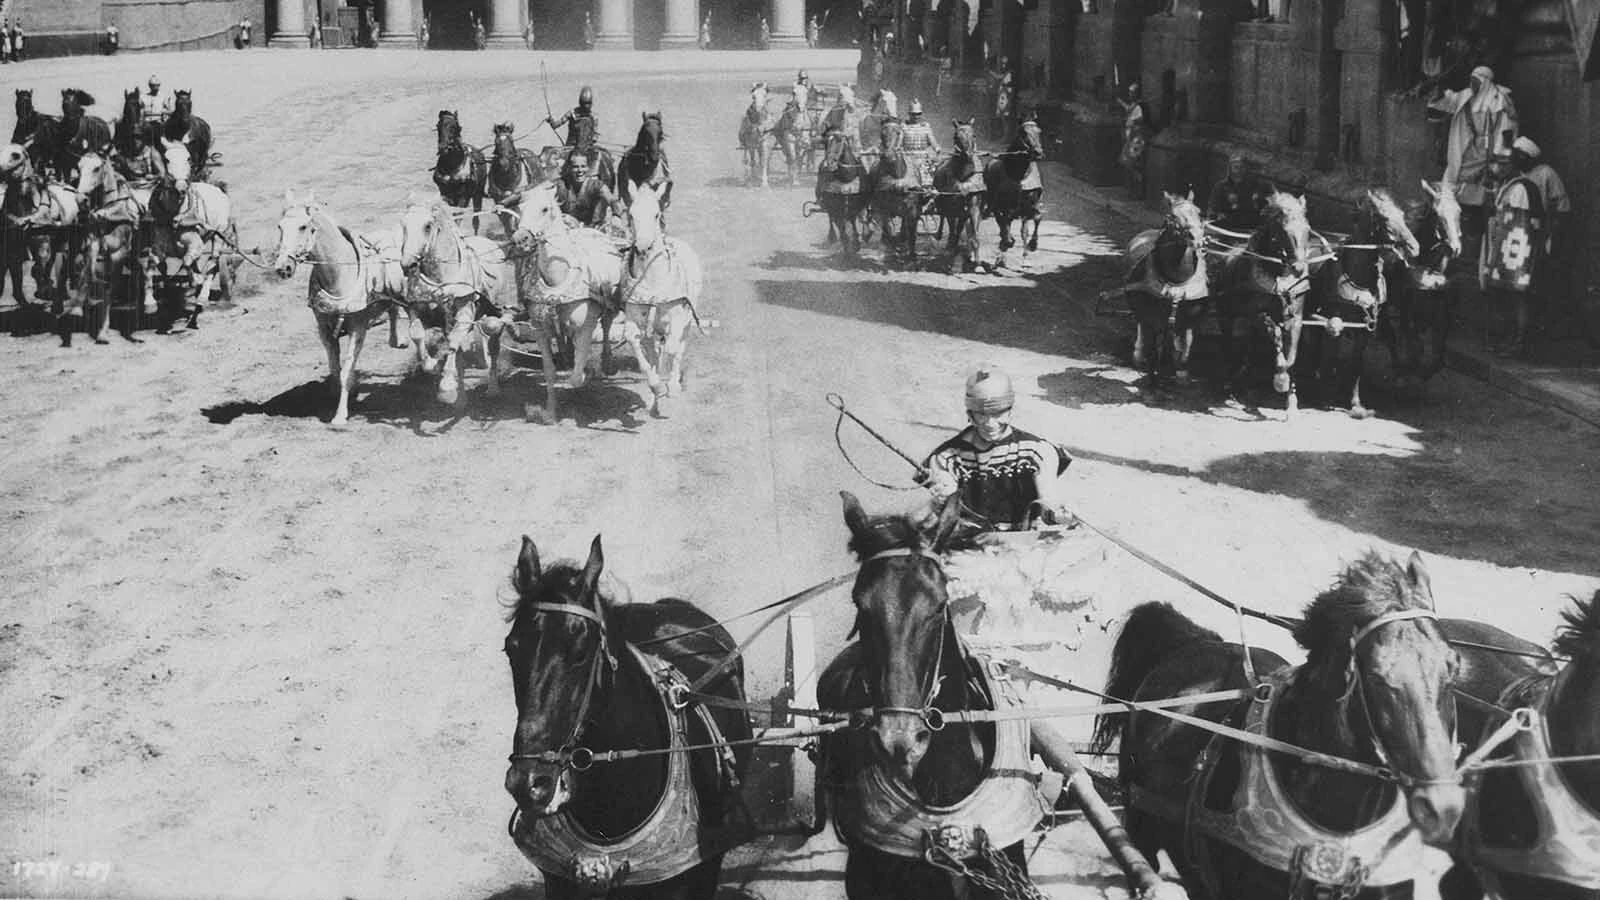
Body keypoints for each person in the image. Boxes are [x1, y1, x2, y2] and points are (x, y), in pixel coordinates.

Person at [920, 367, 1074, 532]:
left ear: (1009, 411)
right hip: (966, 543)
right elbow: (950, 512)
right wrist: (943, 500)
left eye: (998, 414)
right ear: (970, 414)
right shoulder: (947, 457)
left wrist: (1056, 514)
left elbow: (1048, 500)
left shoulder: (1037, 452)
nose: (990, 424)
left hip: (1021, 544)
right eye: (981, 415)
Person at [1481, 137, 1569, 357]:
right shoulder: (1508, 185)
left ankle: (1520, 342)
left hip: (1520, 250)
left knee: (1520, 295)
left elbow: (1520, 223)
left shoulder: (1523, 186)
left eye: (1502, 164)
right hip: (1507, 247)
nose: (1496, 168)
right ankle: (1509, 338)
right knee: (1510, 295)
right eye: (1495, 163)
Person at [1431, 65, 1517, 234]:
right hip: (1463, 151)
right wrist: (1437, 90)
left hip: (1486, 154)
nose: (1472, 84)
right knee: (1451, 191)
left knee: (1481, 198)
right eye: (1471, 80)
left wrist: (1499, 158)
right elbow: (1446, 102)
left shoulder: (1498, 100)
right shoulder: (1466, 96)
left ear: (1485, 82)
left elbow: (1506, 131)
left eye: (1476, 81)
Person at [554, 150, 619, 229]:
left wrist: (616, 216)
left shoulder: (596, 185)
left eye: (583, 166)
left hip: (591, 230)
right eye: (575, 167)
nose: (580, 170)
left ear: (588, 168)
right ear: (570, 168)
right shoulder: (561, 185)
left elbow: (612, 200)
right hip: (567, 228)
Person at [1206, 153, 1267, 232]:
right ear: (1230, 168)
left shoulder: (1254, 185)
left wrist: (1258, 202)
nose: (1239, 170)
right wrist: (1216, 215)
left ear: (1246, 168)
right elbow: (1212, 207)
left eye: (1242, 167)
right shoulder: (1221, 186)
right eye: (1236, 167)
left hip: (1249, 225)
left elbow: (1263, 206)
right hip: (1227, 225)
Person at [547, 86, 600, 170]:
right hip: (570, 147)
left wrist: (592, 140)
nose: (586, 106)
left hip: (587, 148)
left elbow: (596, 133)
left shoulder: (594, 116)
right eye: (584, 103)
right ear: (580, 102)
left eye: (588, 103)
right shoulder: (572, 113)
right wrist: (551, 121)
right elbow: (557, 124)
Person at [1118, 81, 1154, 200]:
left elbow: (1139, 120)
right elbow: (1129, 110)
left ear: (1136, 93)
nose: (1130, 94)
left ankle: (1138, 192)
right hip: (1132, 138)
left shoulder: (1140, 106)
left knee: (1134, 164)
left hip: (1137, 139)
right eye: (1129, 92)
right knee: (1128, 163)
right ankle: (1133, 190)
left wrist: (1132, 126)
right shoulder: (1135, 105)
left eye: (1131, 92)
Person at [899, 98, 941, 185]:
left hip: (922, 159)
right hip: (907, 159)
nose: (916, 117)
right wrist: (897, 149)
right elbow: (899, 143)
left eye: (918, 114)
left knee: (929, 178)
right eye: (913, 114)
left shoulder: (925, 126)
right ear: (909, 114)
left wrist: (937, 148)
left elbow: (932, 140)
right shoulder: (903, 127)